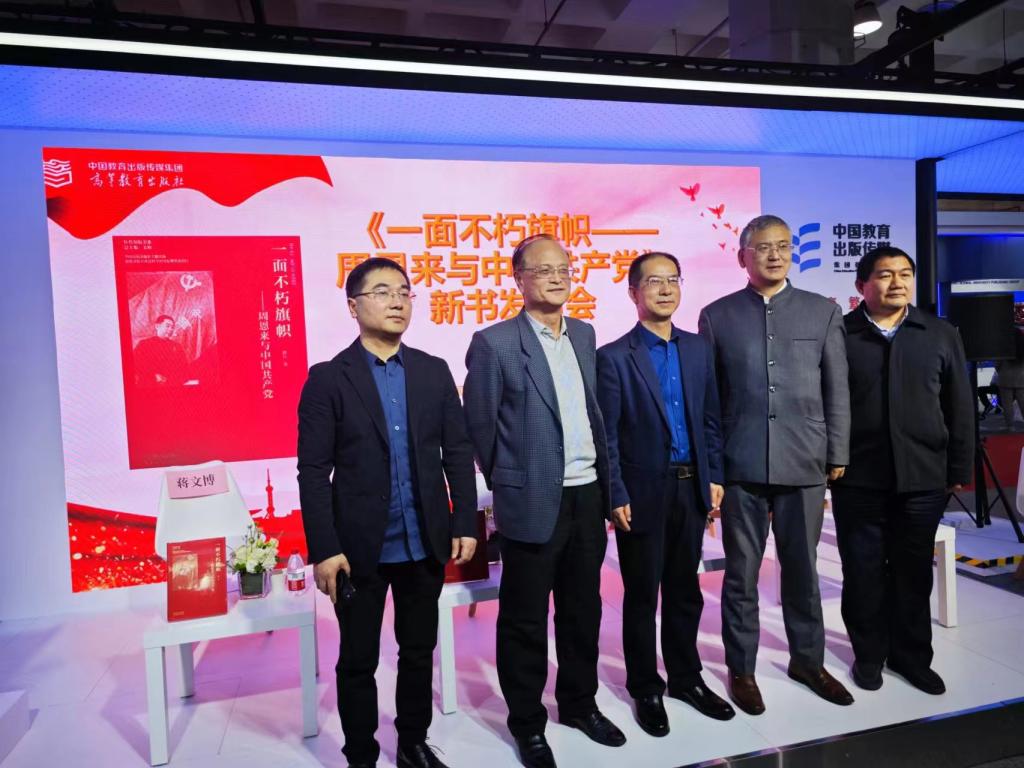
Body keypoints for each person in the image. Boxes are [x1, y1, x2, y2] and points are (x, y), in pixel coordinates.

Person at [297, 257, 478, 768]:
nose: (397, 301)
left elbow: (457, 451)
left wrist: (464, 520)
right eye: (382, 292)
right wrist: (325, 548)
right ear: (353, 306)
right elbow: (313, 471)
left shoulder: (432, 371)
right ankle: (361, 754)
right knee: (358, 659)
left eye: (403, 292)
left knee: (418, 652)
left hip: (424, 539)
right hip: (358, 549)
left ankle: (413, 744)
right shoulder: (329, 379)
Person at [463, 233, 625, 768]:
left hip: (586, 496)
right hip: (530, 500)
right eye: (543, 270)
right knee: (525, 620)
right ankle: (528, 724)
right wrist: (512, 481)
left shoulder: (584, 334)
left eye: (564, 269)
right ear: (519, 279)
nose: (557, 278)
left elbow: (594, 416)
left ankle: (579, 705)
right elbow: (480, 429)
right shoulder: (494, 344)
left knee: (583, 611)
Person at [698, 214, 853, 715]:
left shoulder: (821, 311)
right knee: (741, 574)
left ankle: (808, 661)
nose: (775, 254)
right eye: (763, 247)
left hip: (805, 460)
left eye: (783, 246)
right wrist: (713, 467)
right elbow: (710, 399)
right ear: (742, 256)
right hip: (740, 463)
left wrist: (837, 452)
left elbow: (837, 389)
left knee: (803, 569)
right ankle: (741, 669)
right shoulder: (717, 316)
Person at [596, 252, 734, 737]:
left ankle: (686, 678)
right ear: (633, 292)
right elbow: (607, 435)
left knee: (685, 590)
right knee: (641, 595)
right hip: (642, 492)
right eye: (654, 281)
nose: (665, 289)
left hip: (691, 486)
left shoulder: (697, 349)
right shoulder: (614, 356)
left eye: (672, 279)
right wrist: (615, 491)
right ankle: (644, 687)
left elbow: (711, 419)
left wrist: (714, 473)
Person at [832, 246, 972, 695]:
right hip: (858, 478)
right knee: (863, 571)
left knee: (913, 572)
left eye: (905, 274)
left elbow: (959, 403)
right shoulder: (840, 334)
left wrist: (959, 465)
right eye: (885, 274)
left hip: (923, 476)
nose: (898, 282)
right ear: (861, 285)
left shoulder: (939, 333)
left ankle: (912, 658)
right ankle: (868, 655)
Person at [134, 314, 189, 385]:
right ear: (157, 326)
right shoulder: (144, 344)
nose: (170, 329)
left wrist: (172, 380)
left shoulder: (177, 347)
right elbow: (135, 364)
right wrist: (152, 376)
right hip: (148, 385)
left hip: (171, 386)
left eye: (172, 327)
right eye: (167, 326)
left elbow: (184, 369)